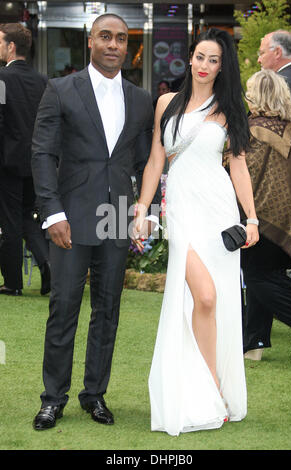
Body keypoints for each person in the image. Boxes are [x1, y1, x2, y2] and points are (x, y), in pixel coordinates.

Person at [31, 13, 160, 431]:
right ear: (90, 41)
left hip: (117, 217)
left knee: (108, 311)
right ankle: (53, 398)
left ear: (127, 46)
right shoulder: (61, 89)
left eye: (122, 39)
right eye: (106, 36)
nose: (114, 44)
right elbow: (43, 155)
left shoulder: (140, 100)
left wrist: (145, 208)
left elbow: (144, 161)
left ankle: (95, 394)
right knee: (63, 307)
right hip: (70, 216)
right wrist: (52, 212)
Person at [133, 28, 259, 436]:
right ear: (190, 58)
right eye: (201, 57)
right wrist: (142, 208)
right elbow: (156, 160)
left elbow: (237, 165)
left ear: (222, 67)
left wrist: (251, 218)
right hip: (182, 211)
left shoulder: (229, 108)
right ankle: (209, 386)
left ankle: (215, 391)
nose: (205, 66)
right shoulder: (167, 103)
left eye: (214, 60)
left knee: (214, 302)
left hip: (219, 211)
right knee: (203, 295)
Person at [242, 69, 291, 361]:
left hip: (257, 219)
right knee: (265, 276)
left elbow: (243, 176)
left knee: (257, 278)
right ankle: (254, 344)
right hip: (289, 221)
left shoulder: (247, 129)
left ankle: (254, 341)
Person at [0, 23, 50, 297]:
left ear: (11, 47)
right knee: (29, 218)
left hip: (8, 162)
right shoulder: (42, 81)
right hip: (36, 161)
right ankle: (48, 264)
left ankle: (12, 282)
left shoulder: (1, 80)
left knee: (9, 221)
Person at [257, 30, 291, 129]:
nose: (259, 60)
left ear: (277, 52)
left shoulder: (270, 84)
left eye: (262, 53)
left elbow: (258, 129)